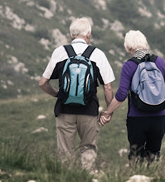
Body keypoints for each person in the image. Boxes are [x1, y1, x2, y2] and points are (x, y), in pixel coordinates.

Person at [39, 17, 115, 171]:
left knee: (65, 151)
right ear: (88, 34)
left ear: (71, 35)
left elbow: (43, 83)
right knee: (88, 147)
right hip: (89, 110)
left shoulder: (60, 52)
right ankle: (87, 177)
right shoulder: (97, 54)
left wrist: (58, 95)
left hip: (64, 109)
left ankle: (67, 178)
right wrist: (108, 111)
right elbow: (107, 87)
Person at [99, 30, 165, 164]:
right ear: (145, 44)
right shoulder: (159, 61)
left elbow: (121, 95)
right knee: (154, 154)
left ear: (129, 48)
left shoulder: (129, 65)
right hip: (159, 117)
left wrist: (107, 112)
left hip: (137, 118)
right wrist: (160, 102)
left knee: (136, 156)